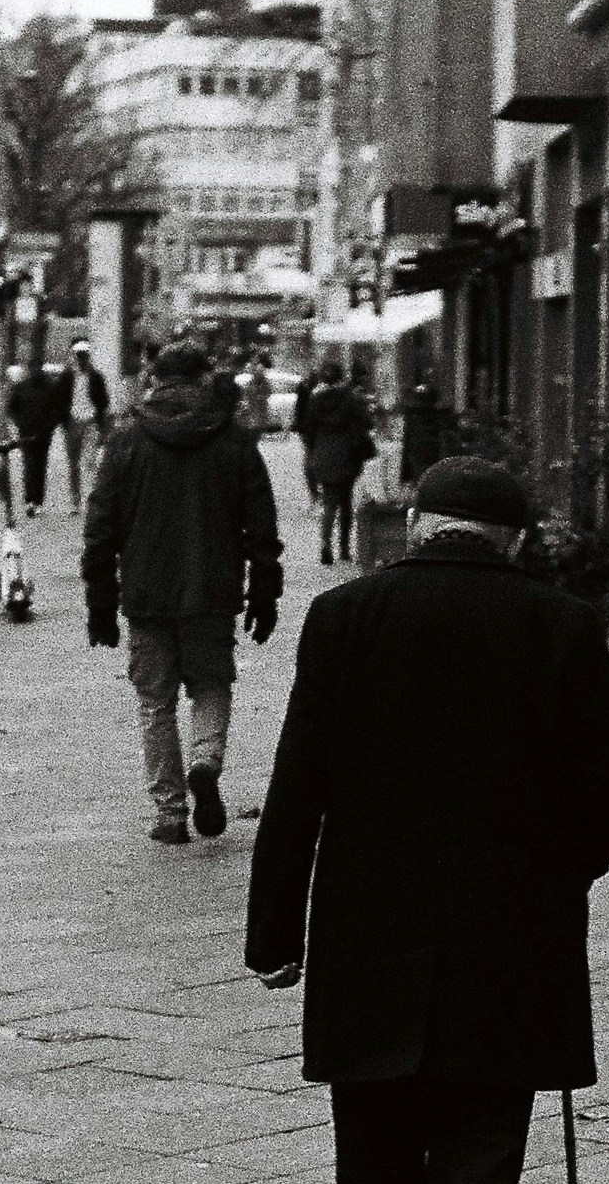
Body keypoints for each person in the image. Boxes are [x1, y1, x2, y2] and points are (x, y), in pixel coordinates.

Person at [245, 454, 609, 1184]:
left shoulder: (343, 617)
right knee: (480, 1139)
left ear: (418, 525)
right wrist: (565, 873)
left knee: (372, 1132)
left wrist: (274, 932)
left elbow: (300, 781)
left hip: (369, 924)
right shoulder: (560, 624)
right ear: (513, 540)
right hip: (508, 929)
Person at [83, 339, 282, 844]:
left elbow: (100, 529)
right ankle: (205, 761)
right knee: (211, 685)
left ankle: (170, 814)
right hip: (213, 589)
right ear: (203, 379)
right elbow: (261, 524)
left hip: (146, 593)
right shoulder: (233, 440)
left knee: (156, 703)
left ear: (154, 379)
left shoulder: (126, 441)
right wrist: (264, 591)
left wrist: (100, 604)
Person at [300, 363, 375, 565]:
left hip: (323, 454)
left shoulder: (316, 400)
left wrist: (314, 451)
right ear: (341, 377)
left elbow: (308, 430)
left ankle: (326, 544)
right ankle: (344, 548)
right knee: (346, 503)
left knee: (329, 502)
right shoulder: (350, 398)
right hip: (347, 455)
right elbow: (366, 422)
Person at [6, 355, 72, 515]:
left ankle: (36, 500)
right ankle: (31, 499)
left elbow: (58, 409)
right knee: (31, 464)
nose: (36, 371)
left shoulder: (48, 386)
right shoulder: (23, 387)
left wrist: (50, 425)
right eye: (34, 368)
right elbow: (12, 409)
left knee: (39, 465)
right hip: (29, 432)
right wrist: (21, 423)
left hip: (41, 433)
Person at [62, 340, 111, 509]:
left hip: (91, 422)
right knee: (73, 463)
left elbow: (104, 400)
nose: (82, 359)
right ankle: (76, 500)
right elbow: (59, 399)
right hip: (73, 422)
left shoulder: (96, 377)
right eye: (79, 356)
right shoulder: (67, 377)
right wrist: (63, 419)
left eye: (84, 356)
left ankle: (92, 497)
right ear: (75, 357)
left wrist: (100, 419)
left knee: (91, 462)